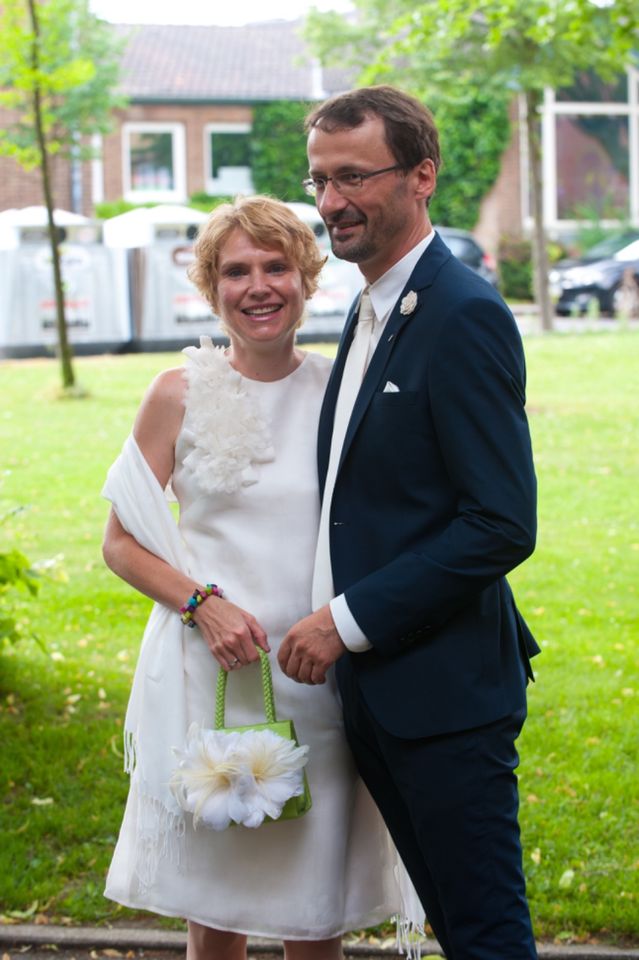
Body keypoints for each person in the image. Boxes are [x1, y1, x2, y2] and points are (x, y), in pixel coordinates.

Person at [101, 196, 408, 960]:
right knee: (217, 902)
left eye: (276, 266)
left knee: (313, 908)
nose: (258, 285)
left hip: (320, 672)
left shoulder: (344, 391)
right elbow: (120, 544)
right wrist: (201, 605)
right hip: (212, 676)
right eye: (235, 271)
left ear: (307, 279)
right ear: (211, 288)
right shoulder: (177, 392)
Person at [278, 85, 540, 959]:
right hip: (379, 696)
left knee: (485, 934)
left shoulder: (462, 313)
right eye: (317, 180)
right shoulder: (366, 305)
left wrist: (342, 623)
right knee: (458, 927)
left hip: (445, 696)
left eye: (353, 176)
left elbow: (500, 522)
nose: (329, 203)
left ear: (421, 175)